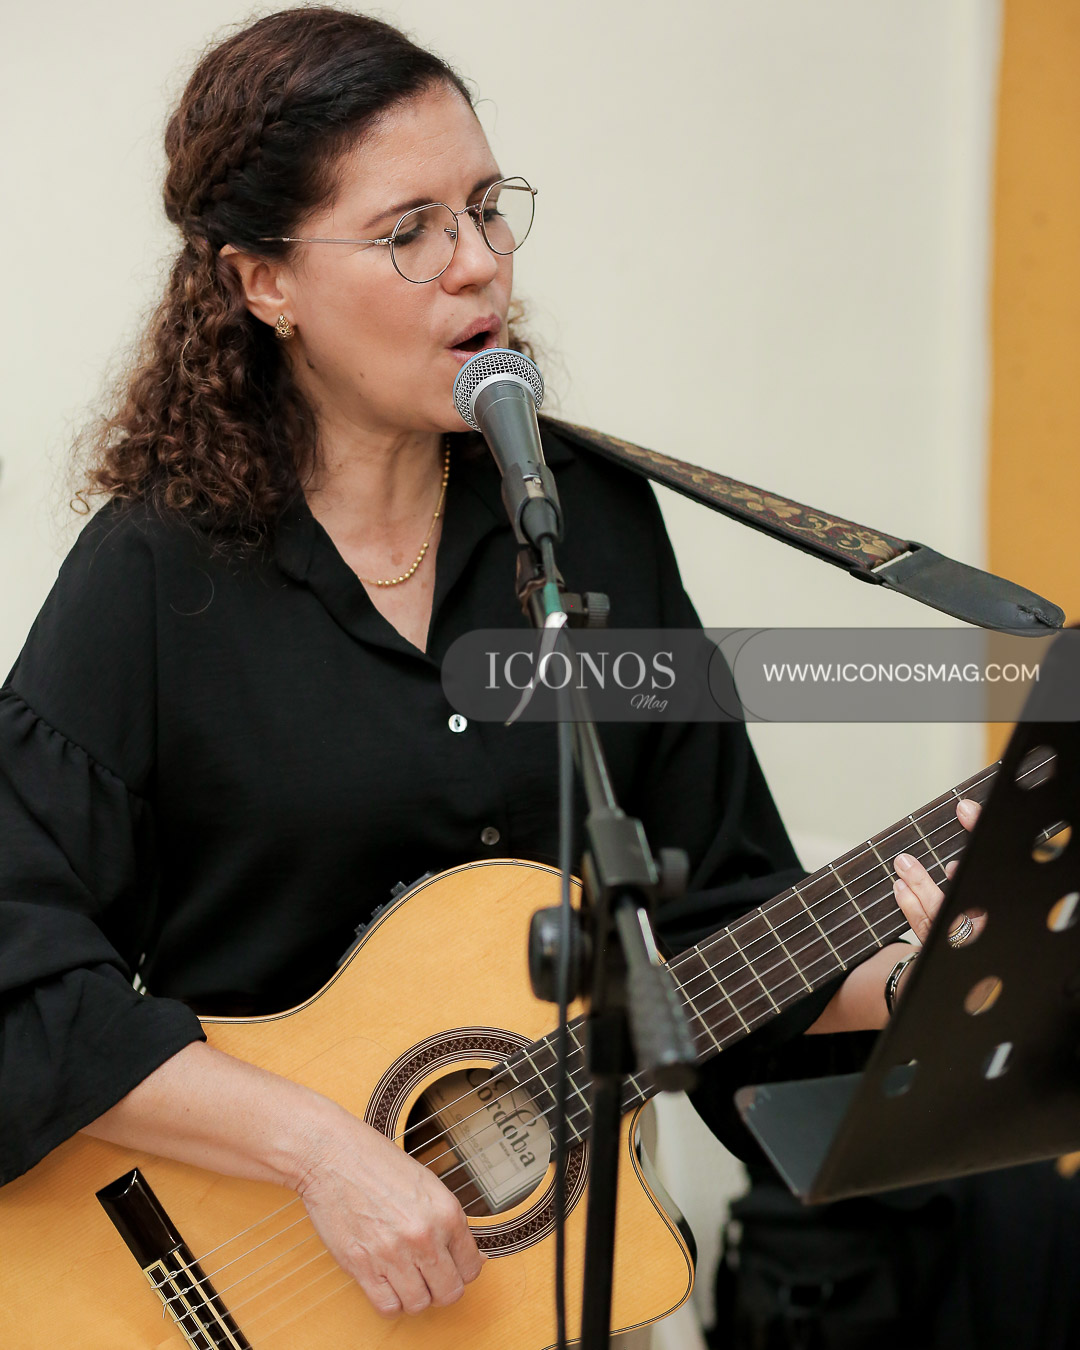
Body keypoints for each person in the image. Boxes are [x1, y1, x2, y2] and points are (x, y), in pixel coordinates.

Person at [0, 5, 975, 1326]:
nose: (476, 265)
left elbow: (714, 931)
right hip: (230, 1281)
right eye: (409, 231)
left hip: (550, 1287)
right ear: (262, 282)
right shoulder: (154, 576)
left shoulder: (593, 525)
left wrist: (914, 971)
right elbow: (20, 972)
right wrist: (323, 1149)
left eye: (485, 210)